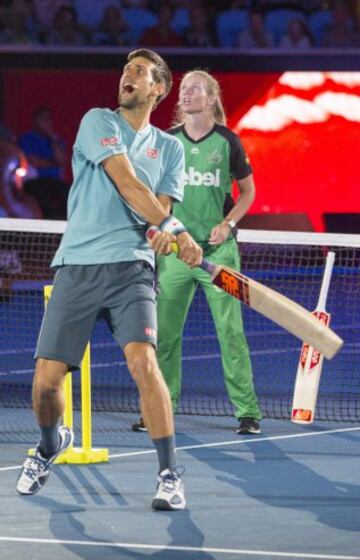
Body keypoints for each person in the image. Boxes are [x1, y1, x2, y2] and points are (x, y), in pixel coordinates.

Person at [16, 48, 203, 510]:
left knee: (144, 363)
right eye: (125, 70)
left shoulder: (172, 149)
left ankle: (168, 474)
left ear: (158, 88)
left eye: (139, 72)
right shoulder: (98, 120)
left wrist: (163, 233)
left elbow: (159, 207)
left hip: (131, 270)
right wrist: (174, 230)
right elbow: (127, 185)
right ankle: (48, 444)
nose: (128, 76)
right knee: (44, 385)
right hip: (78, 266)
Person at [132, 70, 262, 435]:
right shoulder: (167, 142)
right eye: (183, 89)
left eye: (194, 89)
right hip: (175, 254)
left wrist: (229, 224)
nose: (186, 94)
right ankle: (160, 409)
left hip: (219, 254)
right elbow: (156, 196)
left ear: (211, 97)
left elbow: (248, 193)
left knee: (231, 333)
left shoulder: (228, 142)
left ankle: (247, 411)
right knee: (165, 336)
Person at [18, 106, 69, 219]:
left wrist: (52, 139)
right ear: (35, 121)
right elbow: (34, 162)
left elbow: (62, 160)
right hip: (35, 181)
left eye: (48, 119)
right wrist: (55, 163)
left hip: (55, 181)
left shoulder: (56, 140)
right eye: (43, 119)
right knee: (42, 196)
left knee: (70, 194)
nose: (47, 122)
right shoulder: (27, 138)